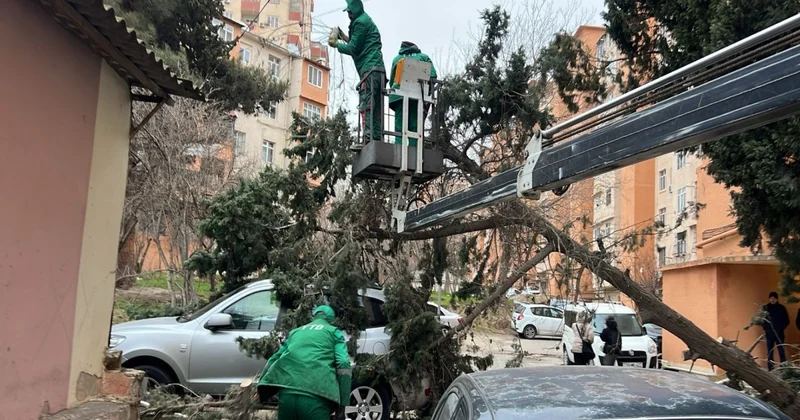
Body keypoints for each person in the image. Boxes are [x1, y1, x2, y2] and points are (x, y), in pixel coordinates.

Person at [257, 305, 352, 420]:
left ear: (314, 316)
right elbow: (343, 363)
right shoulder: (333, 332)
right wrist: (344, 401)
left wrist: (262, 386)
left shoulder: (295, 332)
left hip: (287, 394)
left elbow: (274, 358)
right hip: (317, 395)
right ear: (332, 320)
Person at [329, 0, 385, 145]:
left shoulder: (360, 23)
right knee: (376, 108)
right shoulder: (365, 20)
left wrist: (337, 44)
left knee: (366, 105)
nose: (348, 14)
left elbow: (354, 48)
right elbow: (358, 43)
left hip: (369, 70)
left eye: (349, 11)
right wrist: (342, 37)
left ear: (354, 10)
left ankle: (367, 139)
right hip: (378, 71)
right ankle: (376, 139)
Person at [388, 41, 437, 147]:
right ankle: (414, 149)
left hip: (399, 95)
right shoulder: (424, 57)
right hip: (418, 94)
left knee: (399, 126)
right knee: (415, 127)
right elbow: (433, 76)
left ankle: (399, 147)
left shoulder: (397, 59)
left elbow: (393, 81)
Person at [763, 291, 789, 370]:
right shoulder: (765, 308)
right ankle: (771, 369)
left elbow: (786, 321)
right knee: (770, 352)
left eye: (774, 298)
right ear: (769, 299)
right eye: (771, 298)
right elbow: (762, 321)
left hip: (779, 334)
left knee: (781, 351)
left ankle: (784, 368)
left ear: (777, 299)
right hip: (769, 335)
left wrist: (780, 328)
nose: (772, 300)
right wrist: (767, 329)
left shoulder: (781, 308)